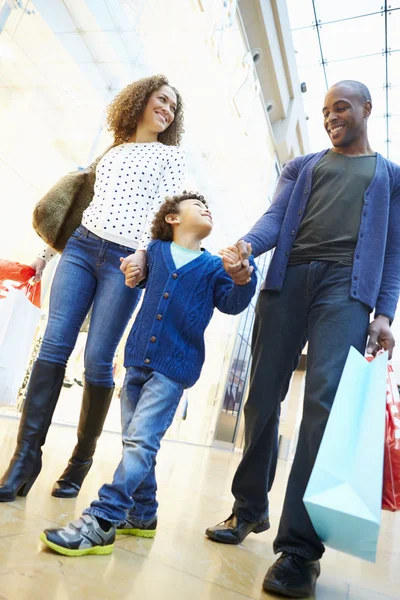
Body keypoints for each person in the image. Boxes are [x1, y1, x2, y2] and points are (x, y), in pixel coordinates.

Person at [206, 80, 400, 598]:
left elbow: (395, 249)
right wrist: (247, 243)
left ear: (366, 108)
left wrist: (385, 311)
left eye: (341, 108)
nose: (332, 117)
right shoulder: (304, 165)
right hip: (288, 280)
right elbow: (275, 218)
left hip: (346, 289)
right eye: (325, 111)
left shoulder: (389, 176)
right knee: (261, 397)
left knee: (322, 404)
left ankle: (299, 552)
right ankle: (249, 510)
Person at [38, 191, 257, 556]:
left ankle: (103, 519)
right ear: (172, 218)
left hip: (174, 368)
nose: (206, 209)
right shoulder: (154, 251)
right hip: (137, 359)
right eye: (197, 206)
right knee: (136, 442)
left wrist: (242, 278)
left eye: (209, 207)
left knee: (141, 442)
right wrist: (132, 267)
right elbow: (135, 273)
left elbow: (232, 304)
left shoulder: (214, 267)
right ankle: (143, 514)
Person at [0, 74, 186, 502]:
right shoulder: (112, 152)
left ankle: (79, 463)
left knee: (99, 359)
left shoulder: (169, 158)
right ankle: (25, 458)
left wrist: (144, 253)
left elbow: (168, 215)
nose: (167, 110)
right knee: (52, 346)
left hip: (125, 263)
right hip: (82, 249)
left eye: (173, 107)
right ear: (139, 101)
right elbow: (78, 210)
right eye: (161, 100)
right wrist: (43, 257)